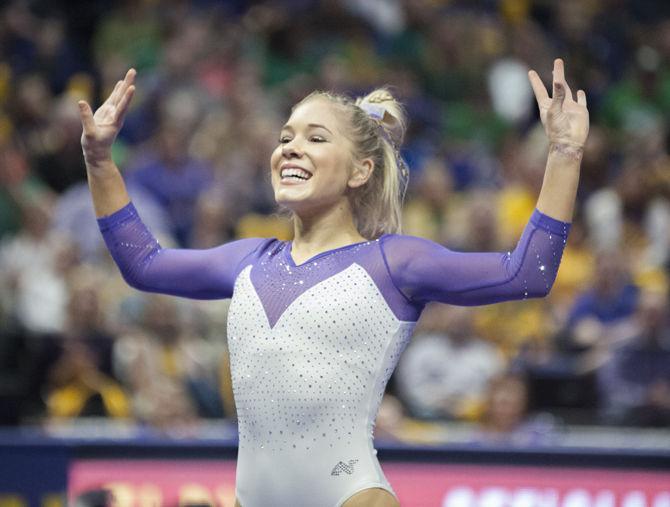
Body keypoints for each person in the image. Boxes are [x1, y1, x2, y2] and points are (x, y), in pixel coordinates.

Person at [77, 58, 588, 507]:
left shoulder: (393, 263)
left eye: (315, 139)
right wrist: (100, 162)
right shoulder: (249, 260)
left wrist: (564, 154)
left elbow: (528, 273)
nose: (291, 149)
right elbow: (143, 263)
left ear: (360, 171)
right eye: (285, 138)